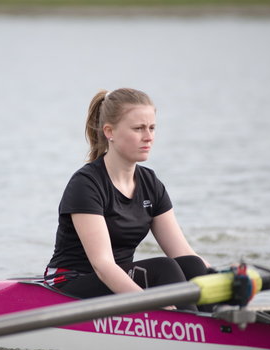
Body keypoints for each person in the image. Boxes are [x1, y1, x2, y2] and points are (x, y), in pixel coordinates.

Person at [45, 88, 211, 310]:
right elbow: (103, 266)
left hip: (120, 279)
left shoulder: (151, 183)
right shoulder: (86, 184)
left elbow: (183, 253)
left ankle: (220, 326)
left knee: (192, 265)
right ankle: (192, 332)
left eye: (152, 128)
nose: (148, 136)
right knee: (164, 268)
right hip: (71, 283)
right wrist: (155, 307)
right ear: (109, 131)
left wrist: (224, 278)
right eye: (138, 128)